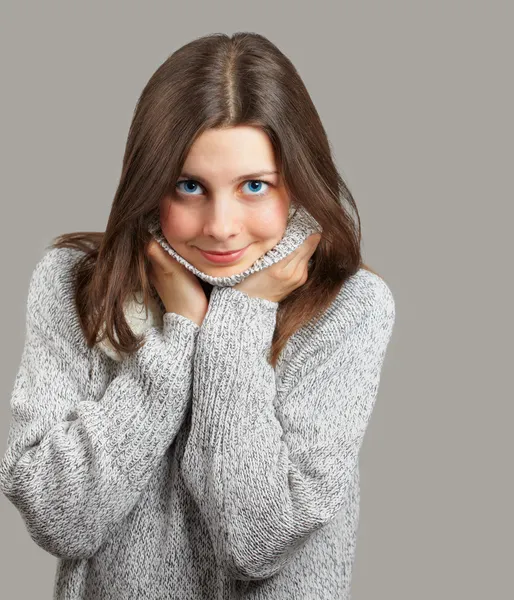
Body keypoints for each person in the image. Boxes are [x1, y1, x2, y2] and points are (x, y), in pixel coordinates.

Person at [0, 31, 396, 600]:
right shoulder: (74, 283)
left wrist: (238, 321)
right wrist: (174, 340)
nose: (220, 225)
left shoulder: (349, 307)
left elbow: (255, 541)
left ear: (298, 186)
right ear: (151, 182)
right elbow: (60, 518)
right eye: (190, 187)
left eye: (254, 186)